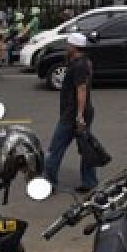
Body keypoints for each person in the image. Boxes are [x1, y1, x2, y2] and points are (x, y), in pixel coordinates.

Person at [44, 32, 97, 194]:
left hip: (73, 115)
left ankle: (49, 183)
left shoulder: (79, 66)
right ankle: (89, 181)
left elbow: (81, 90)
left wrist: (78, 116)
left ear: (74, 47)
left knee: (55, 149)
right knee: (85, 147)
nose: (66, 47)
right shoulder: (83, 62)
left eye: (68, 45)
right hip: (79, 113)